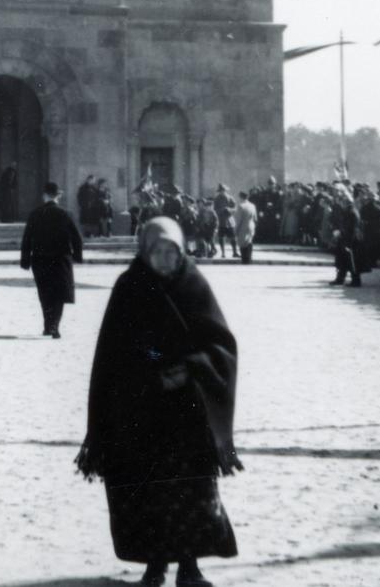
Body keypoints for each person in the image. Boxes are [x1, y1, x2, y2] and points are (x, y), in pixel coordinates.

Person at [76, 218, 241, 587]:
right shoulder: (129, 287)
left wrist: (191, 368)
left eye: (172, 252)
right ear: (144, 252)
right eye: (158, 252)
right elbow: (112, 355)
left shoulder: (194, 286)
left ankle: (190, 566)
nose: (165, 260)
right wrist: (150, 377)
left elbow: (221, 346)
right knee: (145, 488)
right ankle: (154, 566)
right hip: (141, 410)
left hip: (188, 412)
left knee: (191, 489)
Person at [19, 181, 84, 337]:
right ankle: (54, 325)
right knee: (59, 294)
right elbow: (77, 237)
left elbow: (27, 238)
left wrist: (25, 260)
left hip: (40, 260)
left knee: (45, 293)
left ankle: (48, 325)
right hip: (61, 259)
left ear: (44, 196)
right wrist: (77, 256)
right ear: (58, 196)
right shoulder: (65, 214)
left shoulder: (35, 214)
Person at [232, 190, 257, 264]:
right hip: (251, 226)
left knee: (242, 244)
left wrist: (235, 230)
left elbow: (238, 220)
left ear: (241, 197)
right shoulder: (252, 205)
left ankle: (245, 261)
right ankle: (249, 259)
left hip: (243, 227)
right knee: (249, 242)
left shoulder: (241, 206)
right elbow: (255, 218)